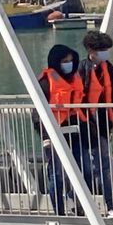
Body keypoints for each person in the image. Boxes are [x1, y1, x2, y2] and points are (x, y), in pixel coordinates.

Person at [34, 44, 83, 215]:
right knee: (56, 175)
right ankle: (59, 212)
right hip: (53, 134)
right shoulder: (45, 83)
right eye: (64, 61)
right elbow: (37, 114)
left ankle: (79, 206)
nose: (68, 64)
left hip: (74, 132)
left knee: (82, 170)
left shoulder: (75, 78)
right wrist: (46, 137)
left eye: (70, 61)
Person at [77, 30, 113, 216]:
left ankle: (110, 205)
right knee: (85, 167)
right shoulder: (81, 69)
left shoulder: (108, 68)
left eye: (106, 49)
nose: (105, 53)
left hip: (102, 125)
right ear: (90, 50)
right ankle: (82, 202)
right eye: (101, 49)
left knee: (103, 165)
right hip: (83, 124)